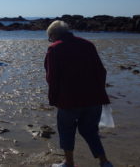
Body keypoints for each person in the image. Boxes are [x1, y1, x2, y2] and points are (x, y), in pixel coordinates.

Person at [44, 20, 113, 167]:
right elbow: (102, 71)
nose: (50, 40)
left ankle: (69, 163)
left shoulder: (54, 48)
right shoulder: (88, 44)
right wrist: (99, 92)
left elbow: (52, 78)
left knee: (66, 130)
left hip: (69, 100)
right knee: (90, 131)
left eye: (50, 37)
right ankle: (104, 162)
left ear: (54, 35)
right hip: (94, 99)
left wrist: (53, 99)